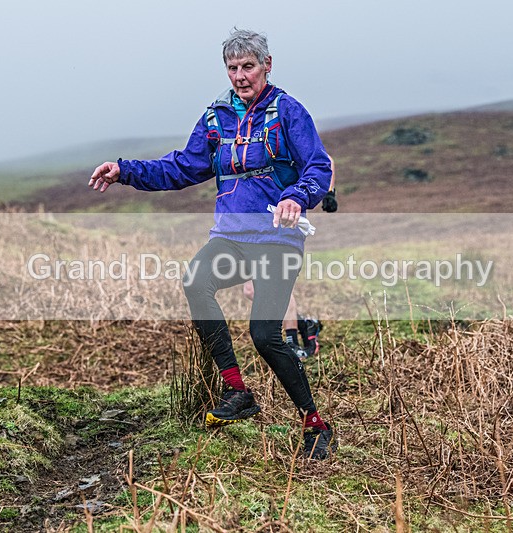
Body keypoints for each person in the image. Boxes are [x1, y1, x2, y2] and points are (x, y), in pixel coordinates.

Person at [89, 29, 337, 460]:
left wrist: (297, 196)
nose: (240, 76)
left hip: (277, 240)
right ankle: (237, 391)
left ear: (268, 66)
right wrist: (124, 170)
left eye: (249, 67)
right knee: (195, 282)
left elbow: (317, 166)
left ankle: (314, 424)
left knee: (264, 335)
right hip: (230, 238)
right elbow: (181, 167)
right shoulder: (215, 118)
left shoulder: (288, 111)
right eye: (233, 68)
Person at [243, 154, 335, 361]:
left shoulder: (292, 136)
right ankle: (303, 323)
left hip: (285, 225)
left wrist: (330, 194)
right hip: (257, 225)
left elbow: (326, 160)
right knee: (250, 289)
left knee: (278, 286)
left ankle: (292, 342)